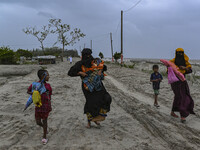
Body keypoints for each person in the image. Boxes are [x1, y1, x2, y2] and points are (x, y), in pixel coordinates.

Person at [68, 48, 112, 128]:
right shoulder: (79, 64)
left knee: (106, 98)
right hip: (87, 86)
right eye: (86, 55)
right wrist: (80, 73)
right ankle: (89, 122)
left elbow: (104, 67)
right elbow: (70, 72)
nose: (88, 57)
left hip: (98, 85)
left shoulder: (95, 61)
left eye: (89, 55)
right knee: (90, 103)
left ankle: (97, 118)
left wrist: (100, 70)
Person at [170, 48, 195, 123]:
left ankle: (178, 113)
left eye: (181, 53)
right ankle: (183, 116)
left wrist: (185, 68)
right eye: (178, 53)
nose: (180, 55)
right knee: (180, 97)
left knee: (182, 97)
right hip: (175, 82)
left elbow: (190, 70)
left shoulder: (185, 61)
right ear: (176, 53)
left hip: (182, 82)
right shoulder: (172, 62)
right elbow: (168, 71)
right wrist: (175, 69)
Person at [27, 69, 52, 144]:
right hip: (38, 106)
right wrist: (34, 93)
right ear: (42, 76)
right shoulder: (35, 85)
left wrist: (49, 104)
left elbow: (50, 94)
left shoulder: (48, 86)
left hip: (46, 106)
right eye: (47, 75)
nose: (49, 77)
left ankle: (44, 137)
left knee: (45, 121)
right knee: (38, 122)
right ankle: (45, 128)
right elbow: (28, 91)